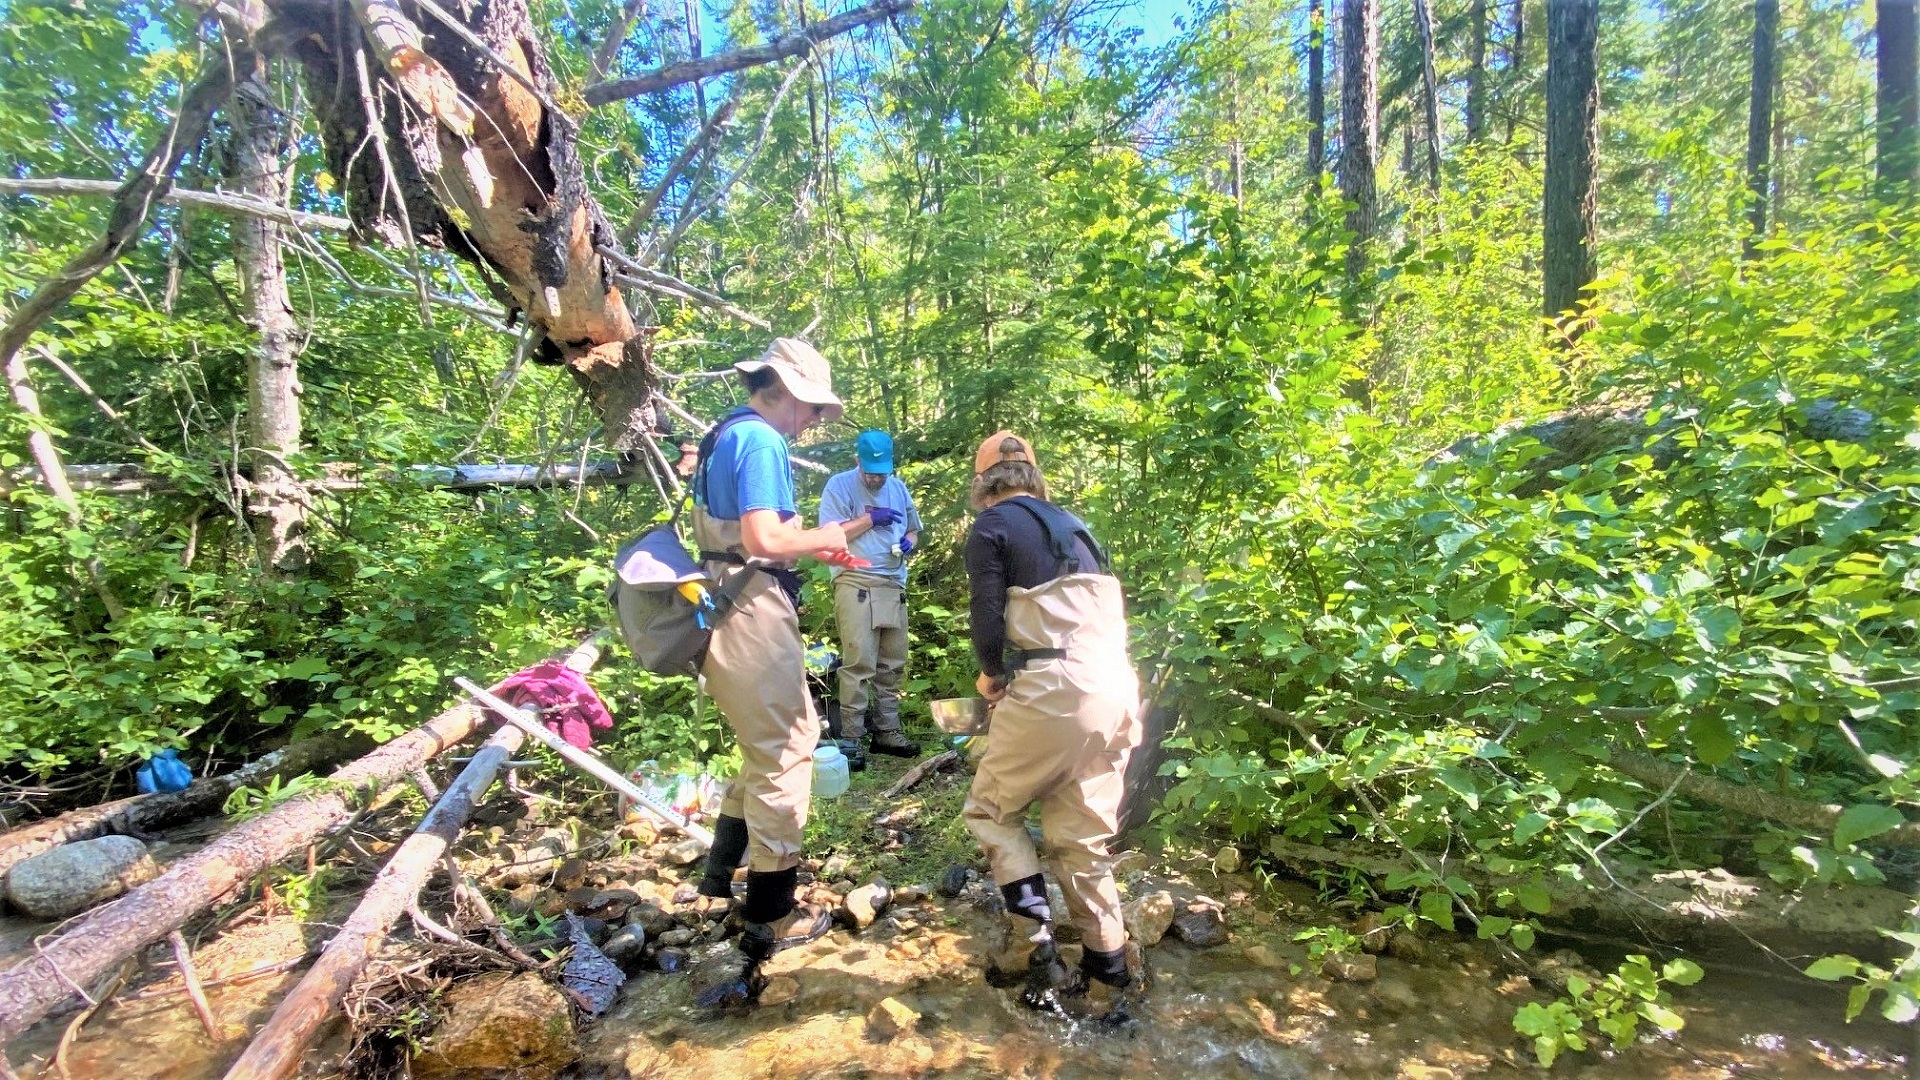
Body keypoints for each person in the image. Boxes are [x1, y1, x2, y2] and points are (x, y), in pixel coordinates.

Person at [686, 338, 888, 966]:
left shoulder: (727, 434)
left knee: (764, 740)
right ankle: (772, 911)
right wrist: (831, 534)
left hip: (725, 599)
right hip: (751, 608)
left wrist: (813, 547)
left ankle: (721, 876)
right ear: (782, 391)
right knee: (789, 745)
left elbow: (755, 540)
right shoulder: (762, 439)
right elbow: (762, 536)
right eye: (811, 410)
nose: (812, 424)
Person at [960, 431, 1144, 1003]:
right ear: (1033, 476)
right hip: (1116, 689)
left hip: (1055, 689)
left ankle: (1035, 944)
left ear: (982, 482)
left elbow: (989, 623)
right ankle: (1107, 969)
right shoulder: (1078, 527)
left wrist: (992, 676)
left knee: (991, 810)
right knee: (1079, 837)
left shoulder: (991, 527)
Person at [818, 429, 924, 769]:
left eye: (883, 472)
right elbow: (830, 536)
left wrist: (909, 541)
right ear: (857, 462)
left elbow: (913, 528)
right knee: (860, 660)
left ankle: (887, 731)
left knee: (892, 661)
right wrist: (870, 519)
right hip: (855, 579)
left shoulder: (898, 487)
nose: (878, 478)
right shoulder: (839, 486)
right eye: (871, 472)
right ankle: (850, 737)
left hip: (893, 581)